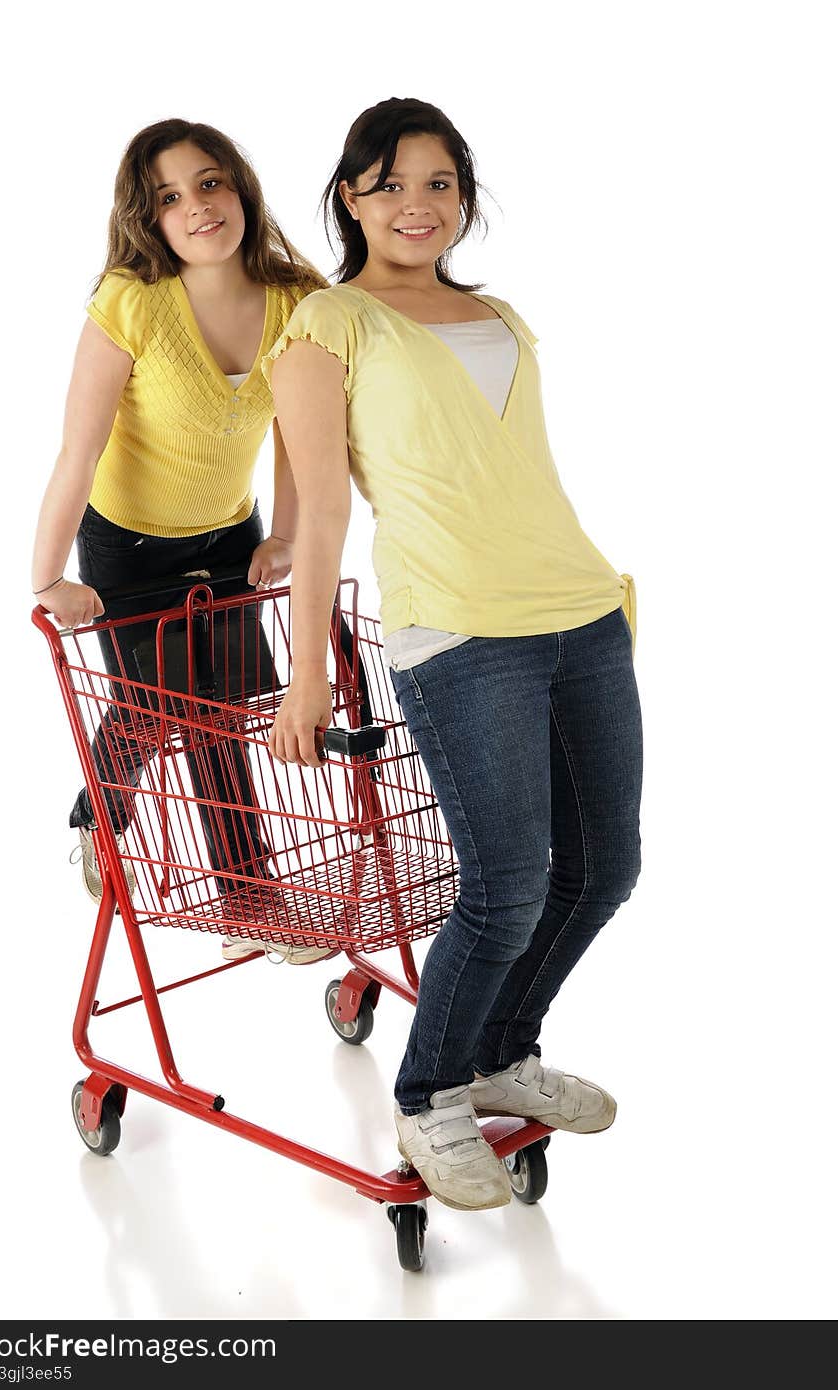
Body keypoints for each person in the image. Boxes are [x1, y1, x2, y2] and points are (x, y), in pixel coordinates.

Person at [262, 98, 643, 1208]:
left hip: (579, 609)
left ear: (463, 199)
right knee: (505, 887)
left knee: (604, 867)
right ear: (349, 196)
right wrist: (308, 674)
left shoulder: (500, 313)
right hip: (459, 630)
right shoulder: (330, 324)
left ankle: (496, 1052)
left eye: (438, 183)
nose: (416, 205)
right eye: (388, 184)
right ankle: (430, 1091)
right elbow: (323, 512)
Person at [32, 118, 332, 964]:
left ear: (240, 186)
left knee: (225, 716)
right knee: (152, 706)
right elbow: (78, 449)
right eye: (170, 197)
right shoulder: (132, 300)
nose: (197, 207)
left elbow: (297, 432)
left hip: (228, 533)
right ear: (148, 217)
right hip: (129, 545)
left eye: (210, 183)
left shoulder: (294, 296)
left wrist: (285, 533)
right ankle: (99, 817)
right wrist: (46, 575)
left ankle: (251, 898)